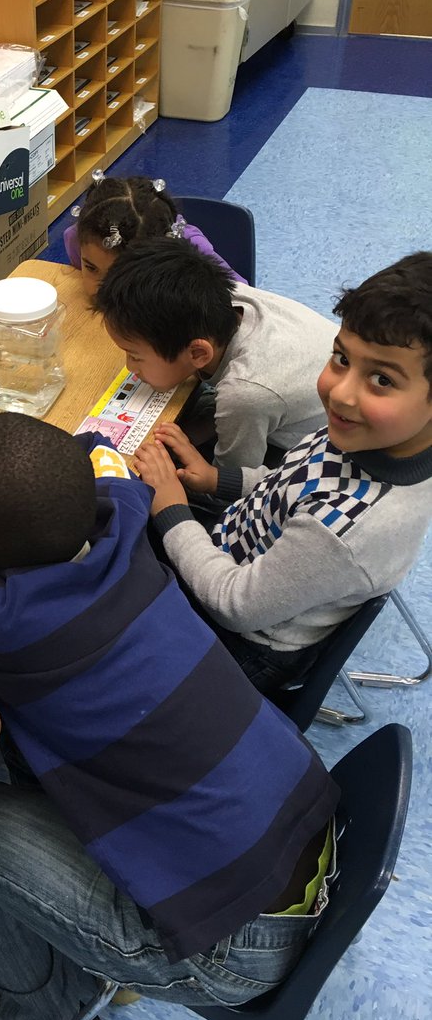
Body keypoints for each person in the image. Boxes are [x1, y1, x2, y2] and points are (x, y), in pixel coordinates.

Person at [0, 413, 339, 1020]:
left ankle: (36, 1018)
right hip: (308, 836)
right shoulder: (125, 517)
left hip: (227, 950)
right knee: (33, 736)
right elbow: (94, 450)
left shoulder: (4, 624)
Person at [135, 251, 432, 694]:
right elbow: (291, 480)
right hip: (235, 546)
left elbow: (235, 606)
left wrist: (173, 512)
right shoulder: (367, 436)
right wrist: (218, 480)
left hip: (243, 644)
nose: (340, 394)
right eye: (341, 358)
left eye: (382, 380)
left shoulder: (347, 531)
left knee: (99, 589)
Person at [95, 234, 338, 466]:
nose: (129, 367)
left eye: (134, 356)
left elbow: (230, 483)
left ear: (198, 354)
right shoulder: (228, 297)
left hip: (322, 454)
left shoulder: (245, 393)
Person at [63, 173, 247, 298]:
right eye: (91, 268)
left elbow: (242, 295)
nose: (98, 290)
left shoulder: (191, 253)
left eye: (116, 276)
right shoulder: (78, 237)